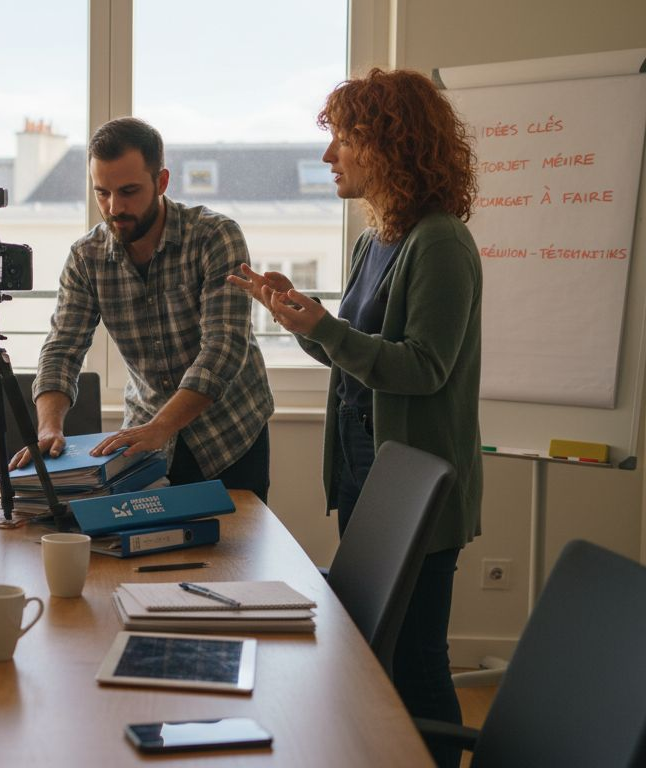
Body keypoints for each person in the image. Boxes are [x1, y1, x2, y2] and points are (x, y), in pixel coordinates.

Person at [228, 68, 481, 768]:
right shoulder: (376, 242)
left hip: (417, 490)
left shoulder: (440, 243)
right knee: (375, 654)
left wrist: (327, 330)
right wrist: (303, 319)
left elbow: (423, 368)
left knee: (419, 661)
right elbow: (358, 360)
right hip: (365, 476)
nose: (328, 155)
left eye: (343, 138)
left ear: (389, 144)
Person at [12, 117, 273, 501]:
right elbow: (62, 348)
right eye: (102, 192)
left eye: (129, 191)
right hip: (144, 444)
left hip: (229, 435)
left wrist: (161, 426)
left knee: (232, 556)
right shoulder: (87, 256)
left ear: (162, 182)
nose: (114, 207)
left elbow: (223, 348)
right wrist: (48, 428)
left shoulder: (215, 236)